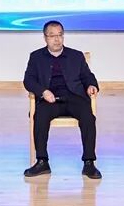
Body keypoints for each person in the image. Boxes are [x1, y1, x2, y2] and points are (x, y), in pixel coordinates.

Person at [23, 20, 101, 179]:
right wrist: (43, 91)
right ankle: (42, 161)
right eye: (52, 36)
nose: (57, 39)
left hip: (74, 97)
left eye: (60, 35)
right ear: (45, 38)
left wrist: (91, 86)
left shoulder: (76, 56)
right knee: (39, 116)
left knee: (88, 117)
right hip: (50, 99)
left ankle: (89, 163)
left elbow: (88, 76)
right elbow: (28, 80)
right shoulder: (36, 57)